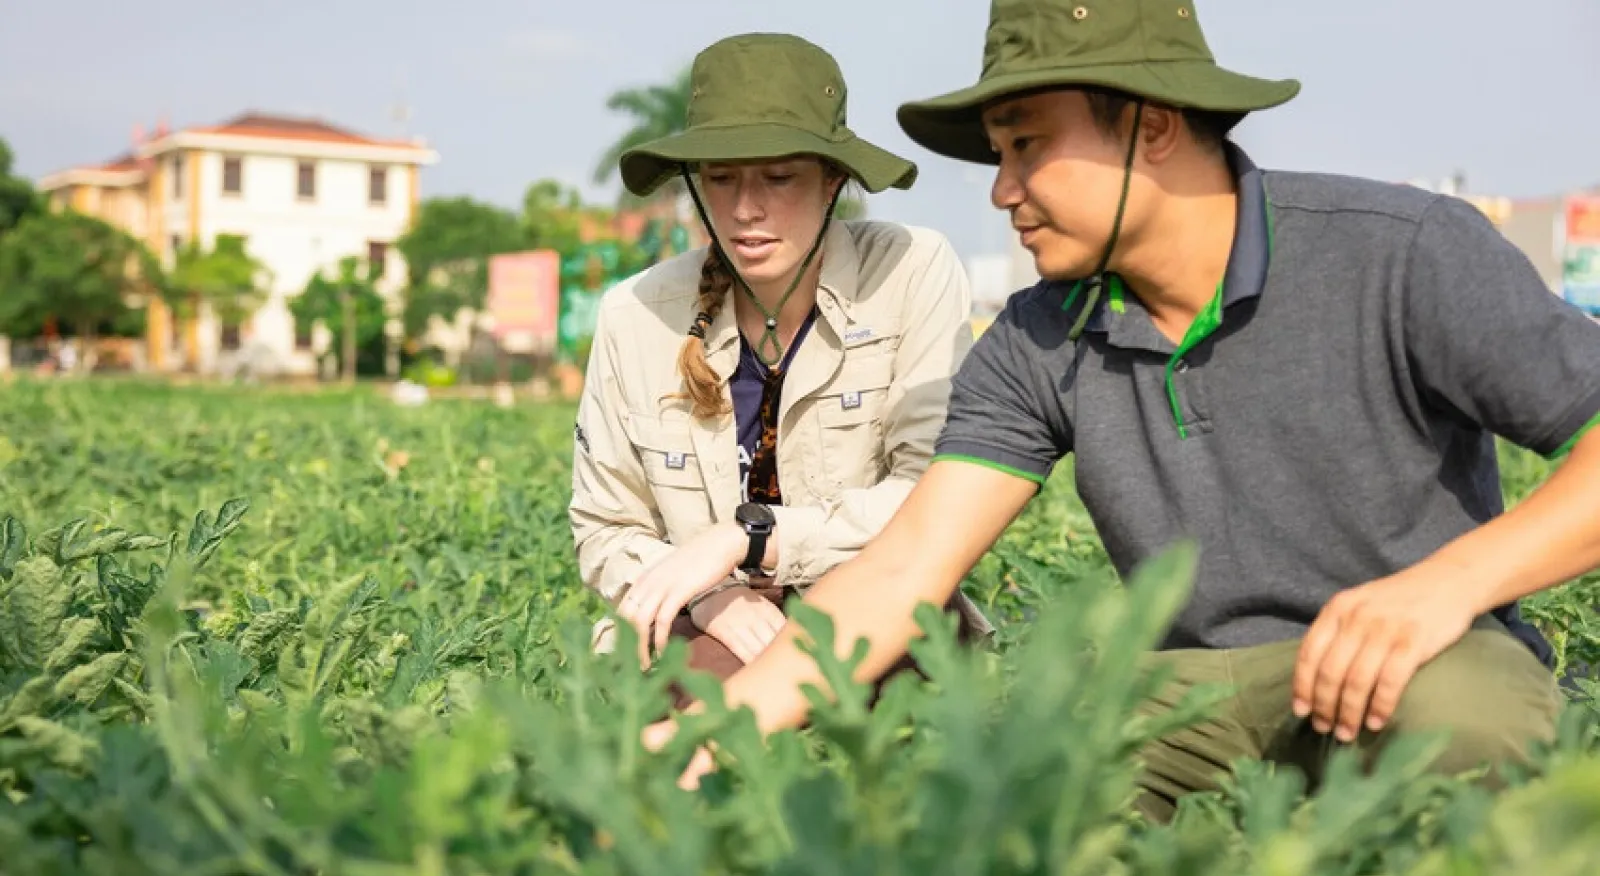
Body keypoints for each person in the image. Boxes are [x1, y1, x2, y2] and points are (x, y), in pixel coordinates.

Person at [647, 0, 1600, 821]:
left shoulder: (1399, 253)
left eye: (1027, 146)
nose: (1001, 189)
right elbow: (901, 570)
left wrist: (1448, 585)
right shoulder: (1038, 336)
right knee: (998, 801)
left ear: (1149, 127)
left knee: (1469, 738)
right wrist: (714, 736)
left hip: (1426, 658)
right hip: (1186, 693)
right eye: (998, 153)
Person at [569, 33, 992, 706]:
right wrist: (712, 598)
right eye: (722, 178)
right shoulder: (635, 314)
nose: (745, 210)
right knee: (698, 719)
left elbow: (932, 497)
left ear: (834, 181)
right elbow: (605, 525)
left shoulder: (912, 271)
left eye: (778, 177)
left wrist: (749, 538)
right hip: (703, 622)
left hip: (876, 603)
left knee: (866, 726)